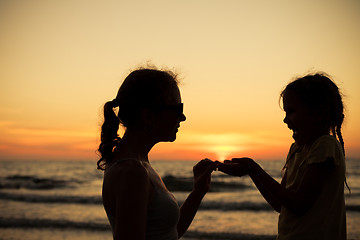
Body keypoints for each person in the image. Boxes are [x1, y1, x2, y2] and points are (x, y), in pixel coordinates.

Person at [217, 73, 347, 240]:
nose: (286, 120)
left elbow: (300, 204)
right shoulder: (296, 150)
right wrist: (252, 172)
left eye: (291, 111)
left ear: (318, 112)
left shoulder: (325, 145)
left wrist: (254, 168)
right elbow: (281, 204)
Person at [97, 67, 216, 240]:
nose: (182, 117)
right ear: (148, 117)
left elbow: (167, 233)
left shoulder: (138, 164)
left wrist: (198, 191)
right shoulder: (132, 171)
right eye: (177, 108)